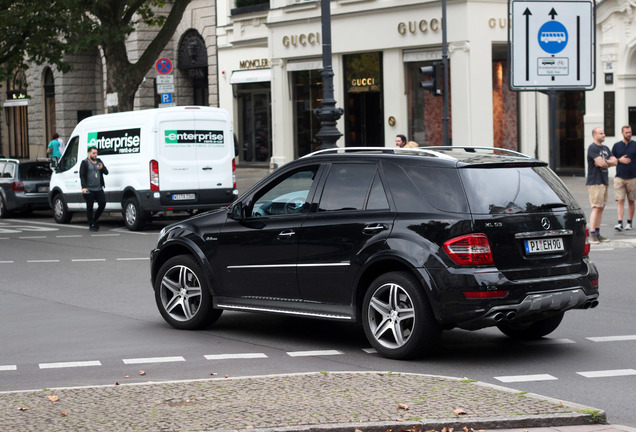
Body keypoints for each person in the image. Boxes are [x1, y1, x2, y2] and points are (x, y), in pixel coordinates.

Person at [586, 127, 617, 243]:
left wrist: (606, 163)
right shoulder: (592, 148)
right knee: (596, 207)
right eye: (601, 133)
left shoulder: (605, 148)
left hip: (604, 181)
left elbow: (615, 161)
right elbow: (600, 163)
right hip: (595, 182)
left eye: (603, 133)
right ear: (594, 135)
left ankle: (598, 233)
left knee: (601, 207)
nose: (604, 135)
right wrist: (606, 162)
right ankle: (592, 234)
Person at [611, 125, 636, 231]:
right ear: (622, 133)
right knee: (620, 200)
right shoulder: (617, 146)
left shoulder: (635, 145)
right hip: (619, 178)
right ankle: (620, 222)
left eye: (630, 132)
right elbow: (611, 160)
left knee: (631, 201)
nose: (629, 134)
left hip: (633, 178)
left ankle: (629, 222)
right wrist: (619, 160)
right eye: (626, 132)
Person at [80, 146, 109, 231]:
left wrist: (102, 168)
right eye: (93, 153)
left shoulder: (99, 162)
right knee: (90, 207)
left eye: (96, 153)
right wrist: (84, 187)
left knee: (103, 203)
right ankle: (91, 224)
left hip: (98, 188)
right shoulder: (85, 162)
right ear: (89, 153)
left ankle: (94, 219)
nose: (95, 155)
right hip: (89, 189)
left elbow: (106, 172)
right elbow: (82, 176)